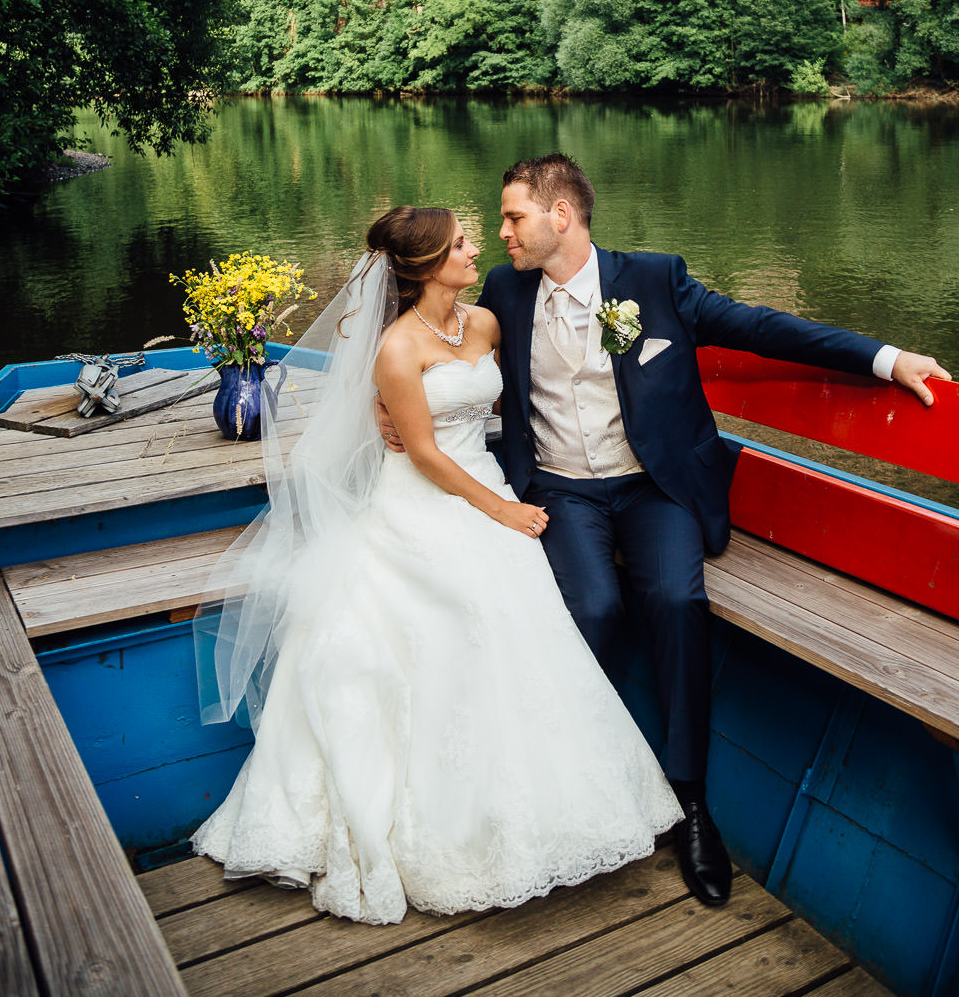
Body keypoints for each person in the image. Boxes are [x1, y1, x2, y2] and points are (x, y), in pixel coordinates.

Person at [467, 152, 950, 907]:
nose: (502, 232)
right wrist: (390, 406)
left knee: (677, 600)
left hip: (652, 486)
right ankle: (577, 783)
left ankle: (691, 801)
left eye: (513, 217)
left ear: (560, 216)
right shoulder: (504, 289)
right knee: (592, 607)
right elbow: (439, 336)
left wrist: (886, 359)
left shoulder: (656, 280)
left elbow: (762, 327)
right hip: (561, 490)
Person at [192, 205, 681, 926]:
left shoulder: (486, 322)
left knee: (519, 600)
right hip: (426, 499)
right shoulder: (396, 348)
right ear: (424, 265)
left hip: (483, 476)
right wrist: (501, 510)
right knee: (472, 605)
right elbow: (422, 453)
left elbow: (531, 381)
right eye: (459, 244)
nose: (475, 249)